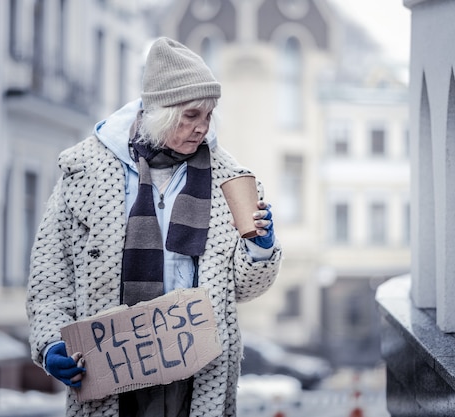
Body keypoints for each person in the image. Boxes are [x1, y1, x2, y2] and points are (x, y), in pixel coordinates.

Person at [26, 37, 282, 417]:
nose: (202, 128)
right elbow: (50, 275)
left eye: (208, 115)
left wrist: (259, 249)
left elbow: (242, 290)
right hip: (108, 367)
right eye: (191, 115)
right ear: (158, 110)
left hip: (197, 374)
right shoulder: (84, 172)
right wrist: (50, 345)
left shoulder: (230, 180)